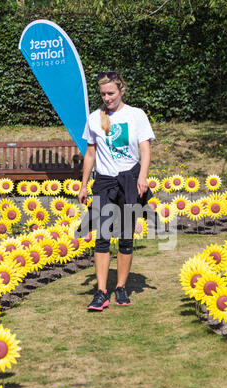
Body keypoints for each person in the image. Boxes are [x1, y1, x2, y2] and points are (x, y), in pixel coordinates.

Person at [78, 71, 155, 311]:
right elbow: (90, 153)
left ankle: (121, 287)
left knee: (125, 236)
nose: (107, 98)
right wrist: (83, 184)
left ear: (122, 91)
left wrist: (142, 177)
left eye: (111, 93)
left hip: (130, 182)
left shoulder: (136, 115)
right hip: (104, 183)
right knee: (101, 236)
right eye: (103, 94)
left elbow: (145, 149)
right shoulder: (94, 118)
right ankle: (101, 292)